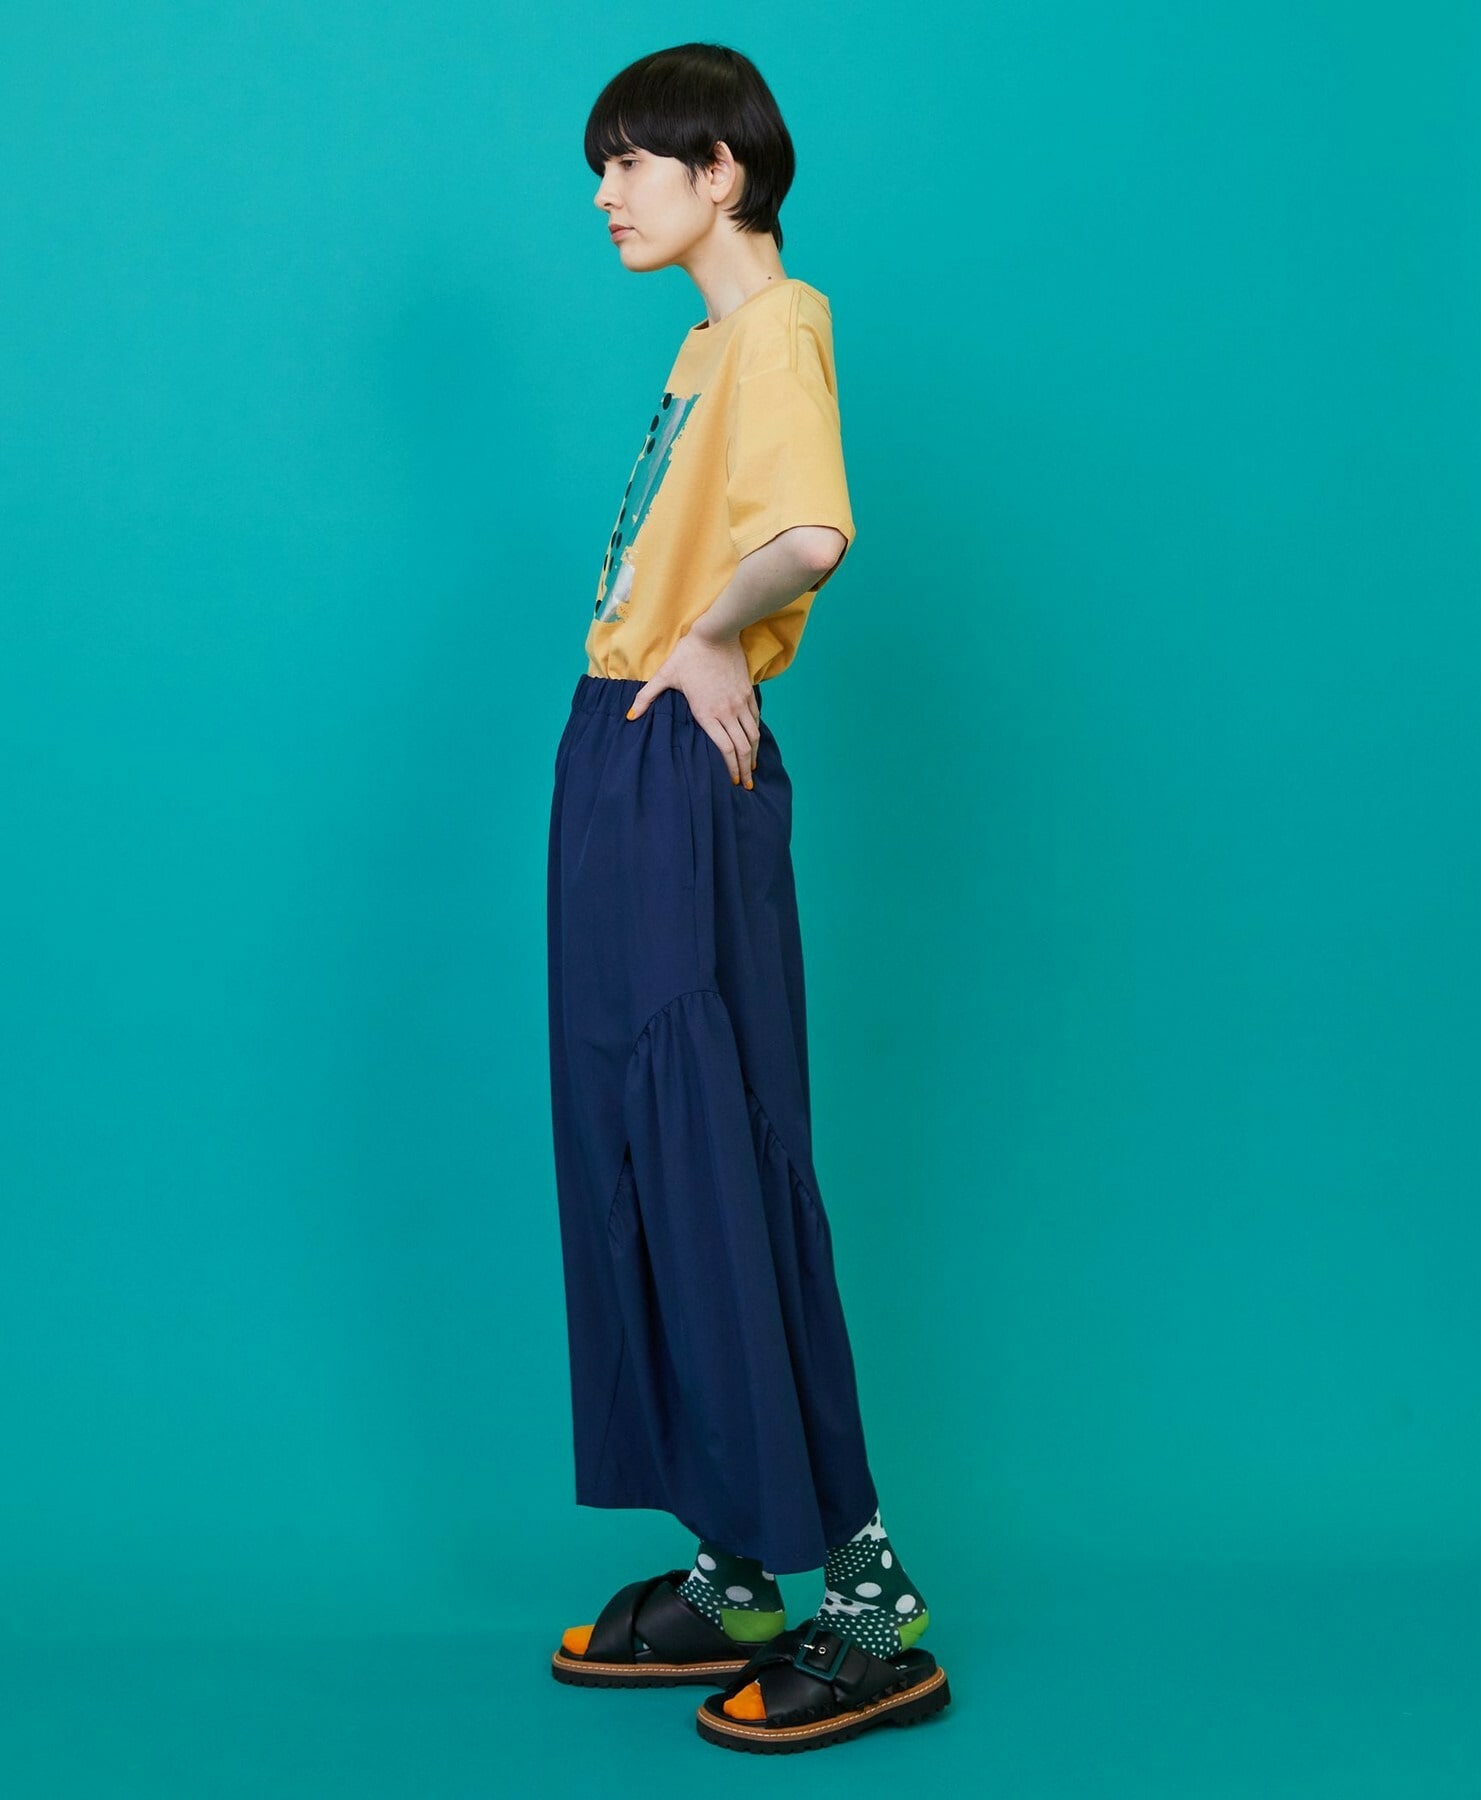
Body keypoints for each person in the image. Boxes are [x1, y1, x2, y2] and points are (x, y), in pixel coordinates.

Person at [545, 43, 951, 1752]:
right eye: (601, 168)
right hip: (615, 746)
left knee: (720, 1152)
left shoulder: (777, 324)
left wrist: (712, 636)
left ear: (722, 171)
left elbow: (810, 533)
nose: (605, 195)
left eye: (633, 162)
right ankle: (733, 1565)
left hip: (672, 770)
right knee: (637, 1152)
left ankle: (867, 1599)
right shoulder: (707, 345)